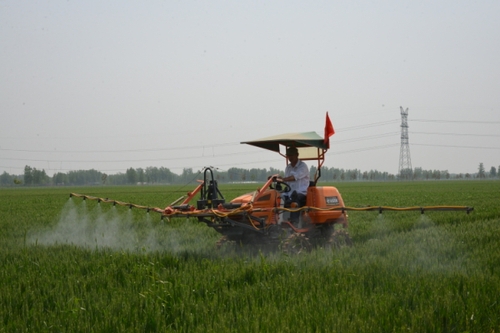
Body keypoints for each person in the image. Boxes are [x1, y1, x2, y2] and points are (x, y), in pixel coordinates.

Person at [279, 147, 309, 223]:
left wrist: (283, 179)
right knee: (277, 198)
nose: (290, 157)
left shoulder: (302, 166)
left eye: (292, 155)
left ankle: (294, 223)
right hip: (290, 193)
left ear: (297, 155)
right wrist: (278, 179)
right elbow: (286, 181)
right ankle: (277, 221)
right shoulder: (288, 168)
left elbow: (294, 177)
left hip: (301, 193)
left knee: (294, 201)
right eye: (288, 155)